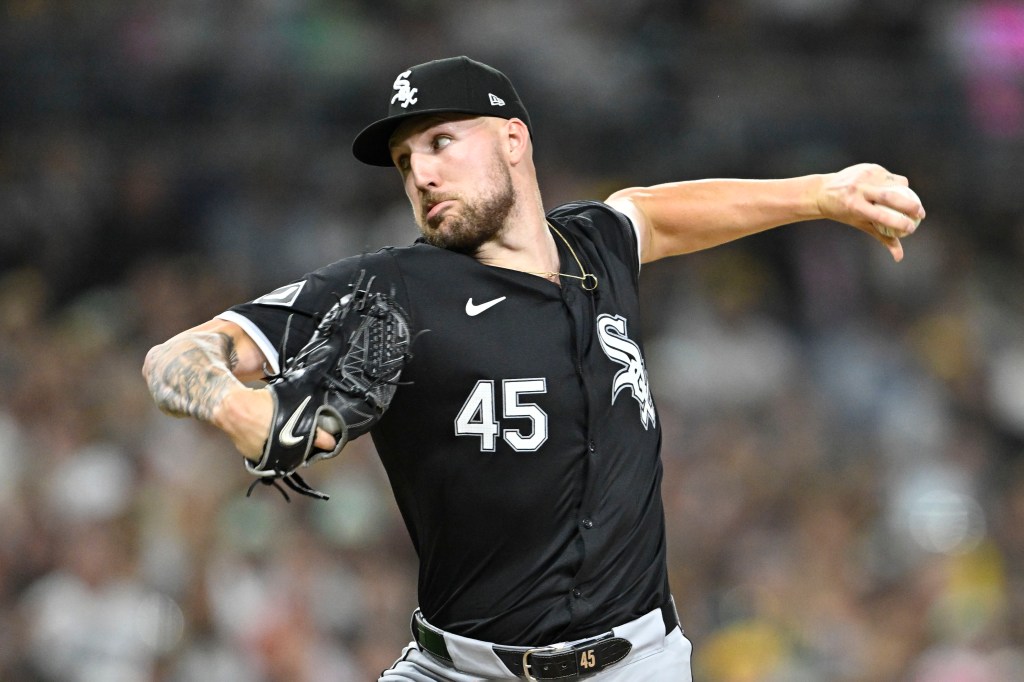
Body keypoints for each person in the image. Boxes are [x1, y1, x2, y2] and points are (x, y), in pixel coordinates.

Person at [143, 56, 925, 681]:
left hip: (640, 663)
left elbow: (655, 209)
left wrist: (822, 193)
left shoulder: (597, 247)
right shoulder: (391, 287)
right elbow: (173, 355)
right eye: (406, 159)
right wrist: (239, 409)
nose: (421, 174)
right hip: (462, 669)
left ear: (513, 141)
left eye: (442, 142)